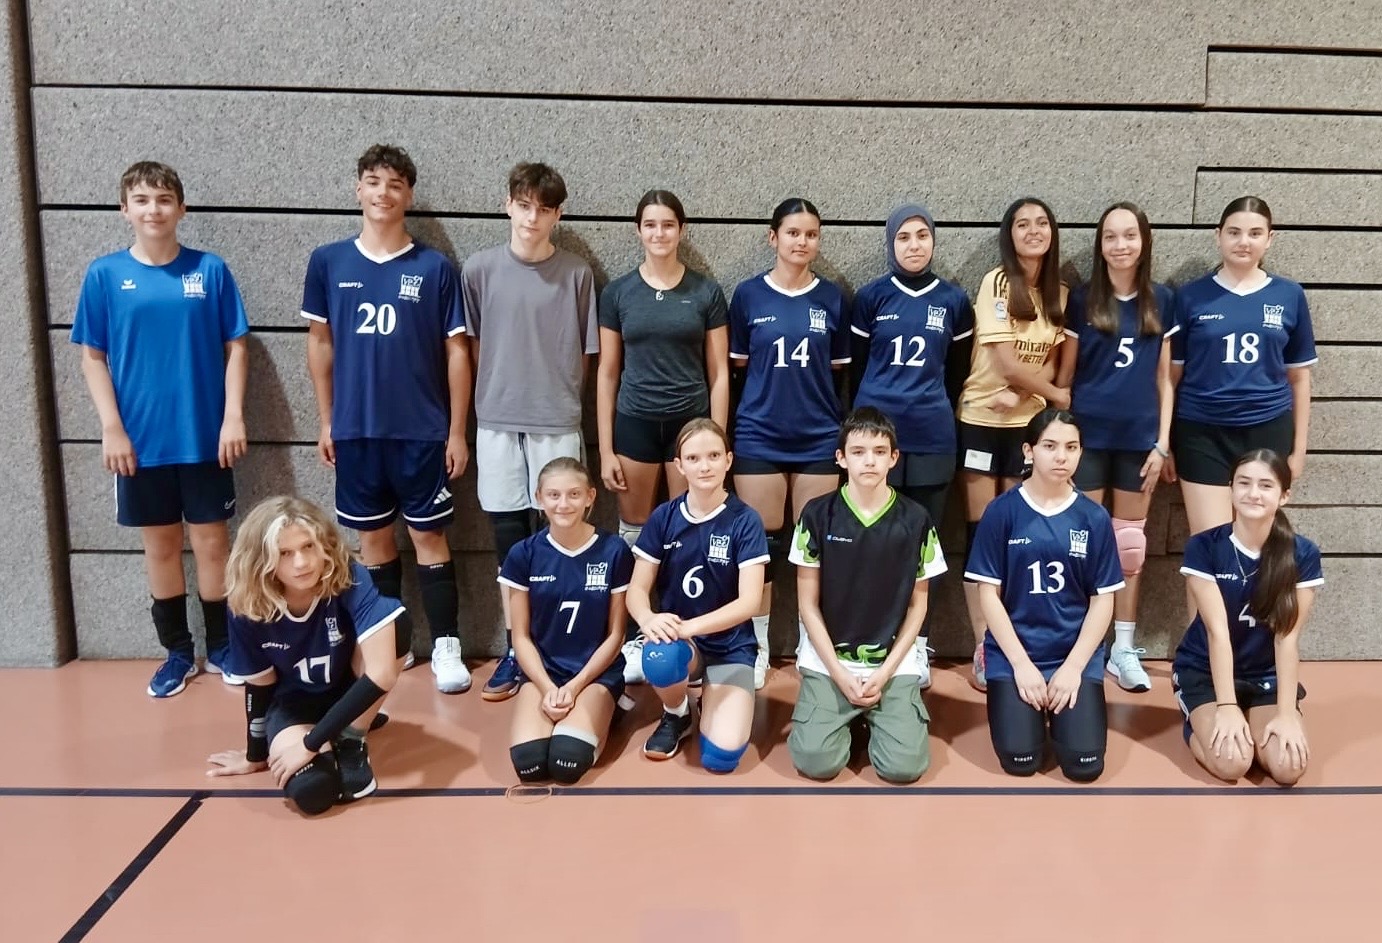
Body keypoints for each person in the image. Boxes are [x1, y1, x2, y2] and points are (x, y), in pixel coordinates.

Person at [71, 160, 250, 698]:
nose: (154, 209)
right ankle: (177, 652)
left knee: (213, 544)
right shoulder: (105, 276)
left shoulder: (209, 271)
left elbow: (236, 346)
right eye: (143, 200)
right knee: (162, 548)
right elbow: (92, 357)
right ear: (124, 209)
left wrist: (233, 416)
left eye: (165, 199)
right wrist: (112, 428)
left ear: (182, 208)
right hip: (140, 444)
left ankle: (222, 647)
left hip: (204, 437)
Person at [303, 144, 472, 694]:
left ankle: (446, 645)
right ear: (358, 189)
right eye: (374, 182)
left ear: (409, 196)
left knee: (430, 538)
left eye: (395, 184)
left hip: (421, 432)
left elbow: (456, 351)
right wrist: (326, 420)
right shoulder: (329, 262)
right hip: (356, 432)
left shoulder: (434, 267)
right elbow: (320, 344)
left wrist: (456, 430)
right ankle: (390, 647)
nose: (383, 193)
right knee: (373, 543)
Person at [462, 162, 599, 701]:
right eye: (523, 205)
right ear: (508, 205)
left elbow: (586, 355)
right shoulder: (479, 269)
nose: (531, 217)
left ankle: (560, 648)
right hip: (496, 421)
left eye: (543, 208)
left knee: (561, 536)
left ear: (557, 214)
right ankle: (516, 650)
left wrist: (556, 398)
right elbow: (473, 347)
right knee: (508, 542)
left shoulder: (577, 273)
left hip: (555, 420)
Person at [595, 189, 730, 685]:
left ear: (681, 230)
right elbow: (607, 372)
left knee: (686, 531)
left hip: (689, 425)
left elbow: (719, 373)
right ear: (638, 231)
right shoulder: (618, 293)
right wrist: (605, 447)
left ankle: (685, 631)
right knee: (637, 535)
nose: (659, 233)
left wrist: (715, 439)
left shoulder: (706, 292)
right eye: (650, 225)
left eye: (668, 224)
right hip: (634, 423)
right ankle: (639, 633)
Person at [206, 497, 405, 815]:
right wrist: (256, 754)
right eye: (285, 553)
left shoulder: (350, 576)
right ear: (261, 559)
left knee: (397, 624)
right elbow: (259, 687)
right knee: (313, 792)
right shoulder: (247, 606)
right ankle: (335, 732)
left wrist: (311, 743)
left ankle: (352, 737)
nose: (301, 563)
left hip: (349, 689)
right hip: (295, 704)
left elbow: (381, 673)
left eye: (308, 546)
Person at [787, 408, 947, 783]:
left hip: (891, 662)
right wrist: (839, 673)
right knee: (815, 762)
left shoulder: (916, 519)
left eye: (879, 451)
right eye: (858, 452)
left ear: (894, 458)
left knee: (904, 768)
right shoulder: (816, 515)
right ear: (841, 458)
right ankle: (843, 714)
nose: (869, 461)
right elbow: (807, 605)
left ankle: (875, 717)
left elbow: (918, 605)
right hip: (830, 661)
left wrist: (886, 670)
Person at [850, 202, 974, 688]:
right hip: (874, 439)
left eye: (922, 235)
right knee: (871, 541)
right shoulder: (871, 297)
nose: (914, 245)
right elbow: (856, 367)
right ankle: (869, 640)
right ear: (890, 243)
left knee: (923, 546)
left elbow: (957, 371)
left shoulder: (953, 300)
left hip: (931, 436)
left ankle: (917, 643)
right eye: (904, 237)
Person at [728, 198, 850, 689]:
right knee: (760, 547)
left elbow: (838, 373)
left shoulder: (833, 298)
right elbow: (738, 368)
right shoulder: (748, 295)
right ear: (773, 237)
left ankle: (811, 643)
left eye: (811, 234)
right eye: (793, 233)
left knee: (813, 547)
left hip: (818, 437)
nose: (802, 241)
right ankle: (755, 645)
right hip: (758, 434)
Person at [964, 410, 1124, 782]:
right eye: (1049, 446)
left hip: (1072, 654)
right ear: (1029, 451)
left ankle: (1065, 715)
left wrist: (1073, 668)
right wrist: (1021, 665)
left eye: (1071, 447)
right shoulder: (1002, 511)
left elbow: (1103, 599)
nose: (1061, 456)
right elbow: (988, 595)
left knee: (1084, 766)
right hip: (1015, 654)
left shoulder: (1093, 517)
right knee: (1020, 761)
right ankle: (1028, 715)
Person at [957, 198, 1072, 692]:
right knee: (983, 535)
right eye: (1022, 224)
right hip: (982, 419)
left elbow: (1056, 358)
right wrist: (1057, 396)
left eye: (1041, 223)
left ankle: (1018, 643)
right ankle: (984, 645)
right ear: (1010, 234)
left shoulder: (1060, 292)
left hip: (1027, 425)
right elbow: (1005, 361)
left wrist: (1028, 394)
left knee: (1020, 538)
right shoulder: (997, 283)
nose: (1033, 231)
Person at [1064, 203, 1176, 693]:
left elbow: (1166, 380)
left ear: (1144, 241)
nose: (1120, 245)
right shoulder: (1083, 300)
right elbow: (1067, 374)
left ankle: (1123, 648)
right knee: (1082, 541)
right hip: (1087, 440)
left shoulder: (1163, 300)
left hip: (1139, 443)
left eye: (1129, 235)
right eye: (1110, 236)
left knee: (1129, 547)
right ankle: (1078, 642)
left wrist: (1163, 444)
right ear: (1100, 244)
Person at [1166, 196, 1317, 538]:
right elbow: (1170, 377)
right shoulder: (1190, 296)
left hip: (1267, 429)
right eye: (1234, 232)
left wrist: (1299, 450)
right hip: (1202, 432)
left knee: (1255, 545)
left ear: (1270, 238)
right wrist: (1165, 443)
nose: (1243, 242)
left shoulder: (1289, 295)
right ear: (1218, 235)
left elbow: (1299, 378)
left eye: (1254, 233)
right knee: (1211, 545)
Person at [626, 419, 769, 772]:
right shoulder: (664, 517)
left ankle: (714, 698)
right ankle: (676, 713)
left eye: (713, 456)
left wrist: (690, 626)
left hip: (730, 646)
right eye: (693, 458)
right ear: (679, 465)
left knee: (721, 758)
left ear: (729, 460)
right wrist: (647, 618)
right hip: (682, 644)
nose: (704, 466)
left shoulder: (745, 520)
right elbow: (637, 589)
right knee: (660, 656)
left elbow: (749, 602)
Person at [1172, 449, 1321, 786]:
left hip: (1265, 674)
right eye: (1244, 483)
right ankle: (1199, 718)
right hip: (1205, 671)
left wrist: (1286, 714)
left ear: (1284, 496)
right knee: (1232, 763)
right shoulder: (1204, 547)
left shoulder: (1303, 554)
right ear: (1231, 488)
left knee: (1288, 767)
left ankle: (1258, 718)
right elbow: (1217, 633)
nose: (1253, 493)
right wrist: (1226, 707)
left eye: (1266, 485)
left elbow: (1287, 639)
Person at [502, 458, 633, 785]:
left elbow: (616, 635)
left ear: (590, 496)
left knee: (567, 763)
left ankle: (608, 707)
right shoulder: (523, 553)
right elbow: (520, 637)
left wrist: (575, 687)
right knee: (530, 765)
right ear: (539, 497)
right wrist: (547, 687)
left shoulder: (613, 550)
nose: (564, 504)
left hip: (594, 673)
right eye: (554, 495)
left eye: (574, 494)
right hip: (543, 673)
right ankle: (567, 713)